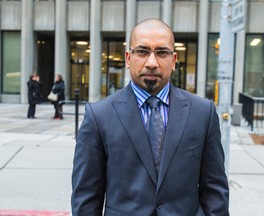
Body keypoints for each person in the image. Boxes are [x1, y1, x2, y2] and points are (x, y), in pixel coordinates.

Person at [71, 18, 229, 216]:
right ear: (128, 58)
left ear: (174, 60)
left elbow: (215, 192)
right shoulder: (98, 116)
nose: (152, 63)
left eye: (162, 52)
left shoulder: (203, 112)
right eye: (142, 51)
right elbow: (86, 198)